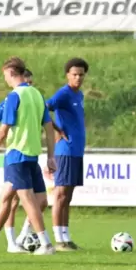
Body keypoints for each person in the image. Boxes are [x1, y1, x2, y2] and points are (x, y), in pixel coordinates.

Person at [0, 57, 56, 255]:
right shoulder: (37, 94)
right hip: (32, 156)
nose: (5, 80)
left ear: (11, 73)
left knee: (28, 201)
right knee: (8, 199)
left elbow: (2, 130)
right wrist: (51, 156)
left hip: (16, 156)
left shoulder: (13, 97)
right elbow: (49, 128)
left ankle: (46, 245)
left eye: (5, 76)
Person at [47, 58, 88, 251]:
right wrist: (57, 129)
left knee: (69, 196)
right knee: (61, 194)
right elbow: (44, 109)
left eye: (81, 74)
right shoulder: (63, 94)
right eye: (74, 74)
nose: (78, 77)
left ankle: (66, 236)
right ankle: (58, 238)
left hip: (76, 151)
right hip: (65, 151)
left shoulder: (78, 95)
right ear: (67, 75)